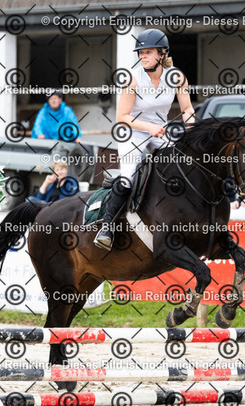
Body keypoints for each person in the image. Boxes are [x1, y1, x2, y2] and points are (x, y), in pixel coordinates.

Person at [93, 28, 195, 250]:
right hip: (133, 131)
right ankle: (106, 228)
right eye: (140, 53)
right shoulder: (133, 79)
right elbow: (122, 116)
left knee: (183, 166)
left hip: (160, 130)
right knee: (128, 177)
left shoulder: (176, 77)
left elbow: (187, 109)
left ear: (162, 53)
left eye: (148, 52)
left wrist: (191, 129)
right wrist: (148, 127)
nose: (142, 56)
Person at [31, 91, 82, 156]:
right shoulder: (43, 111)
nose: (53, 101)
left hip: (63, 144)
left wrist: (77, 136)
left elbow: (74, 124)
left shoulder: (67, 111)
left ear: (60, 100)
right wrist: (39, 134)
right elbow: (38, 125)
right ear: (48, 101)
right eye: (51, 99)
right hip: (47, 144)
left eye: (55, 98)